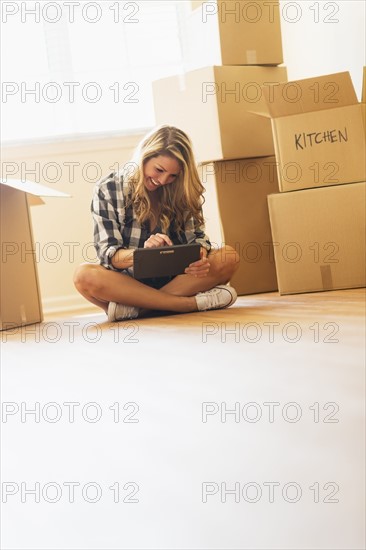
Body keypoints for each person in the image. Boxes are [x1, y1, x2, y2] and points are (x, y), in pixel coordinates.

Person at [74, 125, 240, 321]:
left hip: (177, 279)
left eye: (172, 175)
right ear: (144, 157)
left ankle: (138, 310)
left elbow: (197, 238)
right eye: (159, 170)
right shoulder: (109, 188)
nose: (162, 180)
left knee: (228, 256)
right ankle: (187, 304)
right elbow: (109, 255)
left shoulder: (181, 189)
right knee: (84, 275)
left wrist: (200, 256)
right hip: (128, 283)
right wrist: (143, 255)